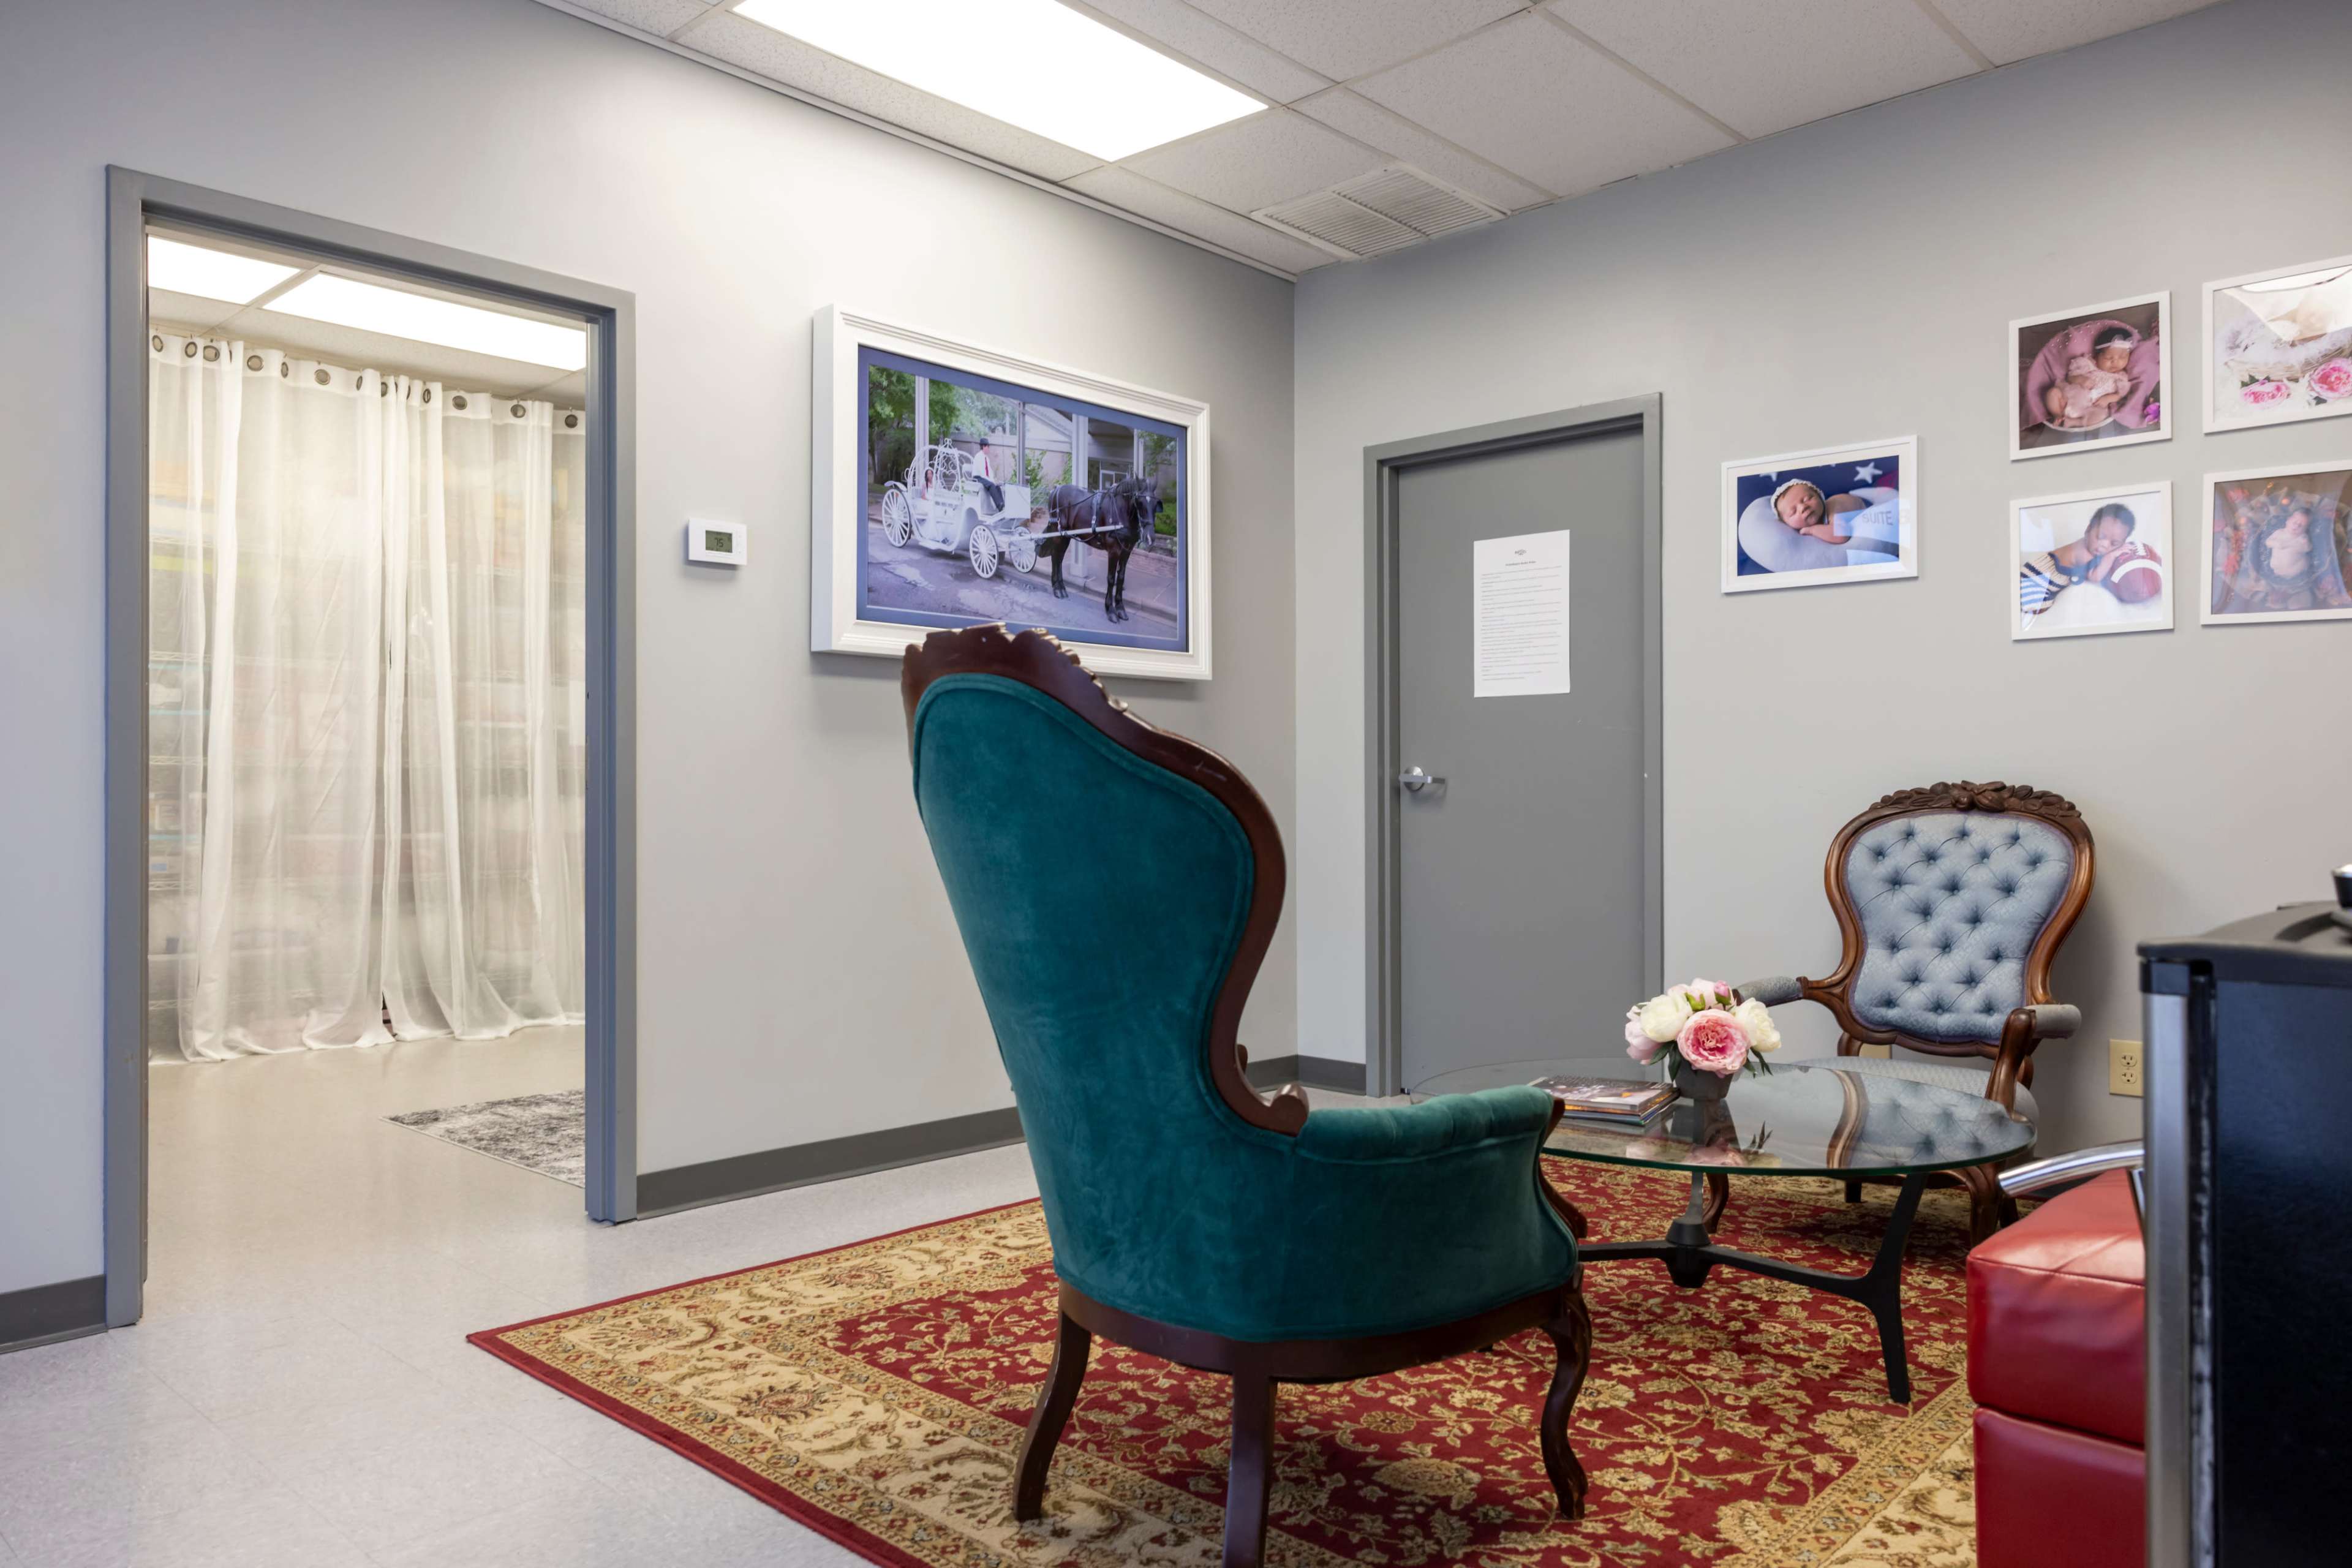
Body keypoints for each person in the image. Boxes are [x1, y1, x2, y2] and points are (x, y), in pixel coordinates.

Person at [2019, 502, 2133, 617]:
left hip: (2034, 576)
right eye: (2101, 537)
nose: (2104, 545)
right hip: (2034, 582)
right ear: (2088, 530)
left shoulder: (2091, 547)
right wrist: (2111, 556)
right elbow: (2095, 577)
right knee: (2040, 607)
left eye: (2115, 543)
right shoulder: (2082, 554)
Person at [1772, 477, 1900, 556]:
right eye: (1793, 512)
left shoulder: (1833, 510)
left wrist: (1812, 530)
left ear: (1820, 496)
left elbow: (1841, 535)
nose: (1803, 507)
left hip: (1865, 505)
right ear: (1786, 523)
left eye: (1808, 499)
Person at [2043, 326, 2135, 428]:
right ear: (2097, 355)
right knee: (2052, 393)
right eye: (2108, 358)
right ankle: (2057, 415)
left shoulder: (2120, 377)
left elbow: (2120, 395)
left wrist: (2107, 399)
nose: (2115, 362)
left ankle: (2074, 422)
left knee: (2100, 416)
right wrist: (2079, 379)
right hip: (2066, 399)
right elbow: (2070, 378)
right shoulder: (2087, 364)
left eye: (2123, 357)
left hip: (2090, 408)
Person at [973, 436, 1005, 514]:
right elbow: (982, 473)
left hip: (984, 477)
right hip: (978, 477)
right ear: (983, 447)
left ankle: (1002, 505)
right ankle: (999, 505)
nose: (989, 449)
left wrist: (994, 480)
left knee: (997, 486)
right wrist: (992, 481)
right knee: (991, 485)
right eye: (988, 447)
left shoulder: (986, 458)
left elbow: (989, 471)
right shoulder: (978, 457)